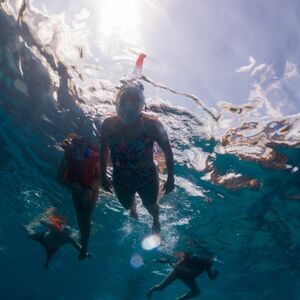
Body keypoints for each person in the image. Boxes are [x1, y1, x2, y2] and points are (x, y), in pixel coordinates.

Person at [100, 83, 174, 234]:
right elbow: (103, 150)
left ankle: (155, 220)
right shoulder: (108, 125)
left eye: (134, 102)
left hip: (147, 177)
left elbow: (168, 150)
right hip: (121, 177)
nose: (128, 106)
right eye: (125, 101)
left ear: (141, 105)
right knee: (127, 205)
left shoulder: (152, 126)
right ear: (117, 103)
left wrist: (171, 178)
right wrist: (102, 176)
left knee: (151, 206)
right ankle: (133, 209)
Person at [57, 133, 100, 259]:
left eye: (84, 153)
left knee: (86, 215)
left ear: (88, 150)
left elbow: (101, 177)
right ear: (72, 149)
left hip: (91, 184)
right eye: (76, 153)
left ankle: (83, 246)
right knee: (83, 216)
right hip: (76, 186)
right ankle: (83, 246)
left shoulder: (94, 155)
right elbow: (59, 178)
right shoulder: (67, 157)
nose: (80, 156)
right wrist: (71, 185)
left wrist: (91, 188)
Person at [23, 211, 91, 269]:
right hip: (43, 237)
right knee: (29, 234)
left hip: (51, 247)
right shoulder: (56, 228)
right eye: (63, 232)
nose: (63, 234)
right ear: (62, 229)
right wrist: (43, 220)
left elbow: (78, 246)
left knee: (49, 258)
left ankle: (46, 264)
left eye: (65, 234)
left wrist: (86, 253)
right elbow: (44, 222)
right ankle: (26, 228)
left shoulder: (69, 238)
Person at [147, 252, 219, 300]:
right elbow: (176, 266)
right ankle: (150, 291)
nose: (208, 260)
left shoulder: (207, 264)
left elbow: (211, 278)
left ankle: (179, 299)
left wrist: (214, 274)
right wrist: (187, 271)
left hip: (189, 278)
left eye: (209, 259)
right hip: (178, 272)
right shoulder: (191, 257)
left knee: (196, 292)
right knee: (160, 287)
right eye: (207, 259)